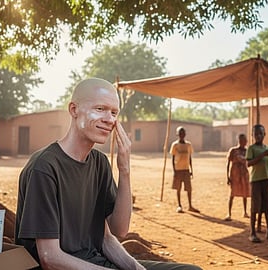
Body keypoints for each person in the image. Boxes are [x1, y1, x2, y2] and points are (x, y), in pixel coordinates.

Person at [15, 78, 202, 270]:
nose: (109, 119)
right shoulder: (44, 167)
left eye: (114, 112)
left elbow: (114, 233)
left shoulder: (99, 163)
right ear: (74, 110)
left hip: (96, 262)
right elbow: (50, 258)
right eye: (100, 109)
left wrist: (125, 170)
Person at [246, 124, 268, 243]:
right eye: (256, 134)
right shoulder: (252, 148)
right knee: (255, 206)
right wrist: (261, 156)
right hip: (256, 181)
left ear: (264, 134)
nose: (258, 136)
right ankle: (252, 233)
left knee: (266, 206)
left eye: (260, 133)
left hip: (267, 180)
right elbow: (249, 163)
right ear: (253, 135)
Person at [170, 126, 200, 214]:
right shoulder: (175, 145)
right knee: (178, 188)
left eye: (183, 133)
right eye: (180, 133)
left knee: (188, 188)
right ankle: (179, 205)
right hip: (178, 169)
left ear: (185, 134)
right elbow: (173, 158)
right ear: (177, 134)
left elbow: (189, 157)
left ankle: (190, 205)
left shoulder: (188, 145)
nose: (182, 135)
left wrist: (191, 170)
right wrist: (174, 171)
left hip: (186, 169)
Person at [224, 133, 250, 221]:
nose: (244, 142)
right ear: (239, 141)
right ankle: (229, 213)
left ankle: (245, 211)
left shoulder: (247, 151)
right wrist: (227, 176)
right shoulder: (233, 150)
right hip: (235, 173)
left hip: (244, 173)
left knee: (245, 192)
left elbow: (250, 162)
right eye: (242, 140)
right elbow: (228, 163)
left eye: (245, 140)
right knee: (232, 193)